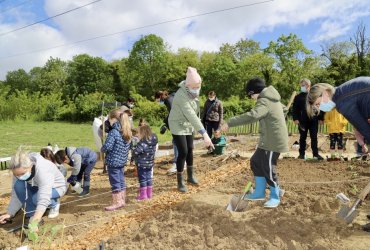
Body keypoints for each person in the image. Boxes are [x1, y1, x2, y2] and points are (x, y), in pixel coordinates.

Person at [222, 77, 288, 208]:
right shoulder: (272, 99)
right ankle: (259, 192)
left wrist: (230, 122)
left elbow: (253, 115)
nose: (251, 98)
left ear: (255, 92)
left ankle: (275, 196)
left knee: (268, 167)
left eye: (250, 95)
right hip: (267, 140)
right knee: (256, 161)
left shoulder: (264, 100)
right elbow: (284, 108)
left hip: (273, 140)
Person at [168, 66, 214, 192]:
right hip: (177, 124)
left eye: (198, 87)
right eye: (193, 87)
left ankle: (190, 176)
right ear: (187, 85)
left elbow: (196, 113)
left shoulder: (194, 92)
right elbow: (191, 114)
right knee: (183, 151)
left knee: (190, 149)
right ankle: (180, 181)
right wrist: (204, 133)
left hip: (188, 124)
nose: (196, 90)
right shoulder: (180, 95)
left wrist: (198, 128)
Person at [0, 150, 67, 226]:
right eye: (17, 175)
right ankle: (31, 214)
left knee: (36, 198)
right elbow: (16, 193)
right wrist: (10, 213)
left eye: (22, 174)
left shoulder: (42, 169)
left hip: (56, 187)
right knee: (18, 185)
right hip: (36, 186)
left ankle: (54, 204)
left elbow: (43, 196)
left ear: (31, 166)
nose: (20, 177)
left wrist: (36, 220)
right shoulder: (18, 169)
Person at [306, 77, 370, 155]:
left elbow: (363, 127)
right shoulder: (340, 93)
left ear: (325, 93)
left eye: (318, 104)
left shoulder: (342, 103)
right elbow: (359, 125)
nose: (320, 108)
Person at [101, 110, 132, 211]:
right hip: (122, 161)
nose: (108, 121)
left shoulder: (114, 132)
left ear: (113, 119)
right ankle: (122, 199)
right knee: (121, 180)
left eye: (109, 119)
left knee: (115, 182)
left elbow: (108, 147)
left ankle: (117, 202)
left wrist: (103, 148)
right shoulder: (127, 130)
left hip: (113, 162)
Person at [292, 78, 324, 160]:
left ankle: (315, 155)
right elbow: (295, 109)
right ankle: (301, 155)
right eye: (301, 85)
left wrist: (321, 118)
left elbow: (320, 106)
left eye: (304, 85)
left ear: (309, 85)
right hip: (302, 121)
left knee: (314, 137)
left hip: (314, 119)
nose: (302, 87)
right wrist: (295, 118)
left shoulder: (315, 95)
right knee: (302, 138)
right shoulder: (298, 97)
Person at [155, 90, 182, 175]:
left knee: (176, 142)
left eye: (157, 99)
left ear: (159, 97)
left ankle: (177, 164)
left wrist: (167, 122)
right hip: (179, 123)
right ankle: (179, 161)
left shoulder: (169, 101)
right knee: (177, 142)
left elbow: (174, 113)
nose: (157, 101)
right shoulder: (170, 98)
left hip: (178, 124)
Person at [134, 124, 158, 200]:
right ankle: (149, 194)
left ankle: (143, 195)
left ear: (143, 133)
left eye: (138, 133)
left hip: (142, 164)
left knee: (142, 179)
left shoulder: (142, 143)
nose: (137, 135)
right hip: (150, 163)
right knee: (149, 178)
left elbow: (136, 152)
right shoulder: (152, 143)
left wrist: (134, 149)